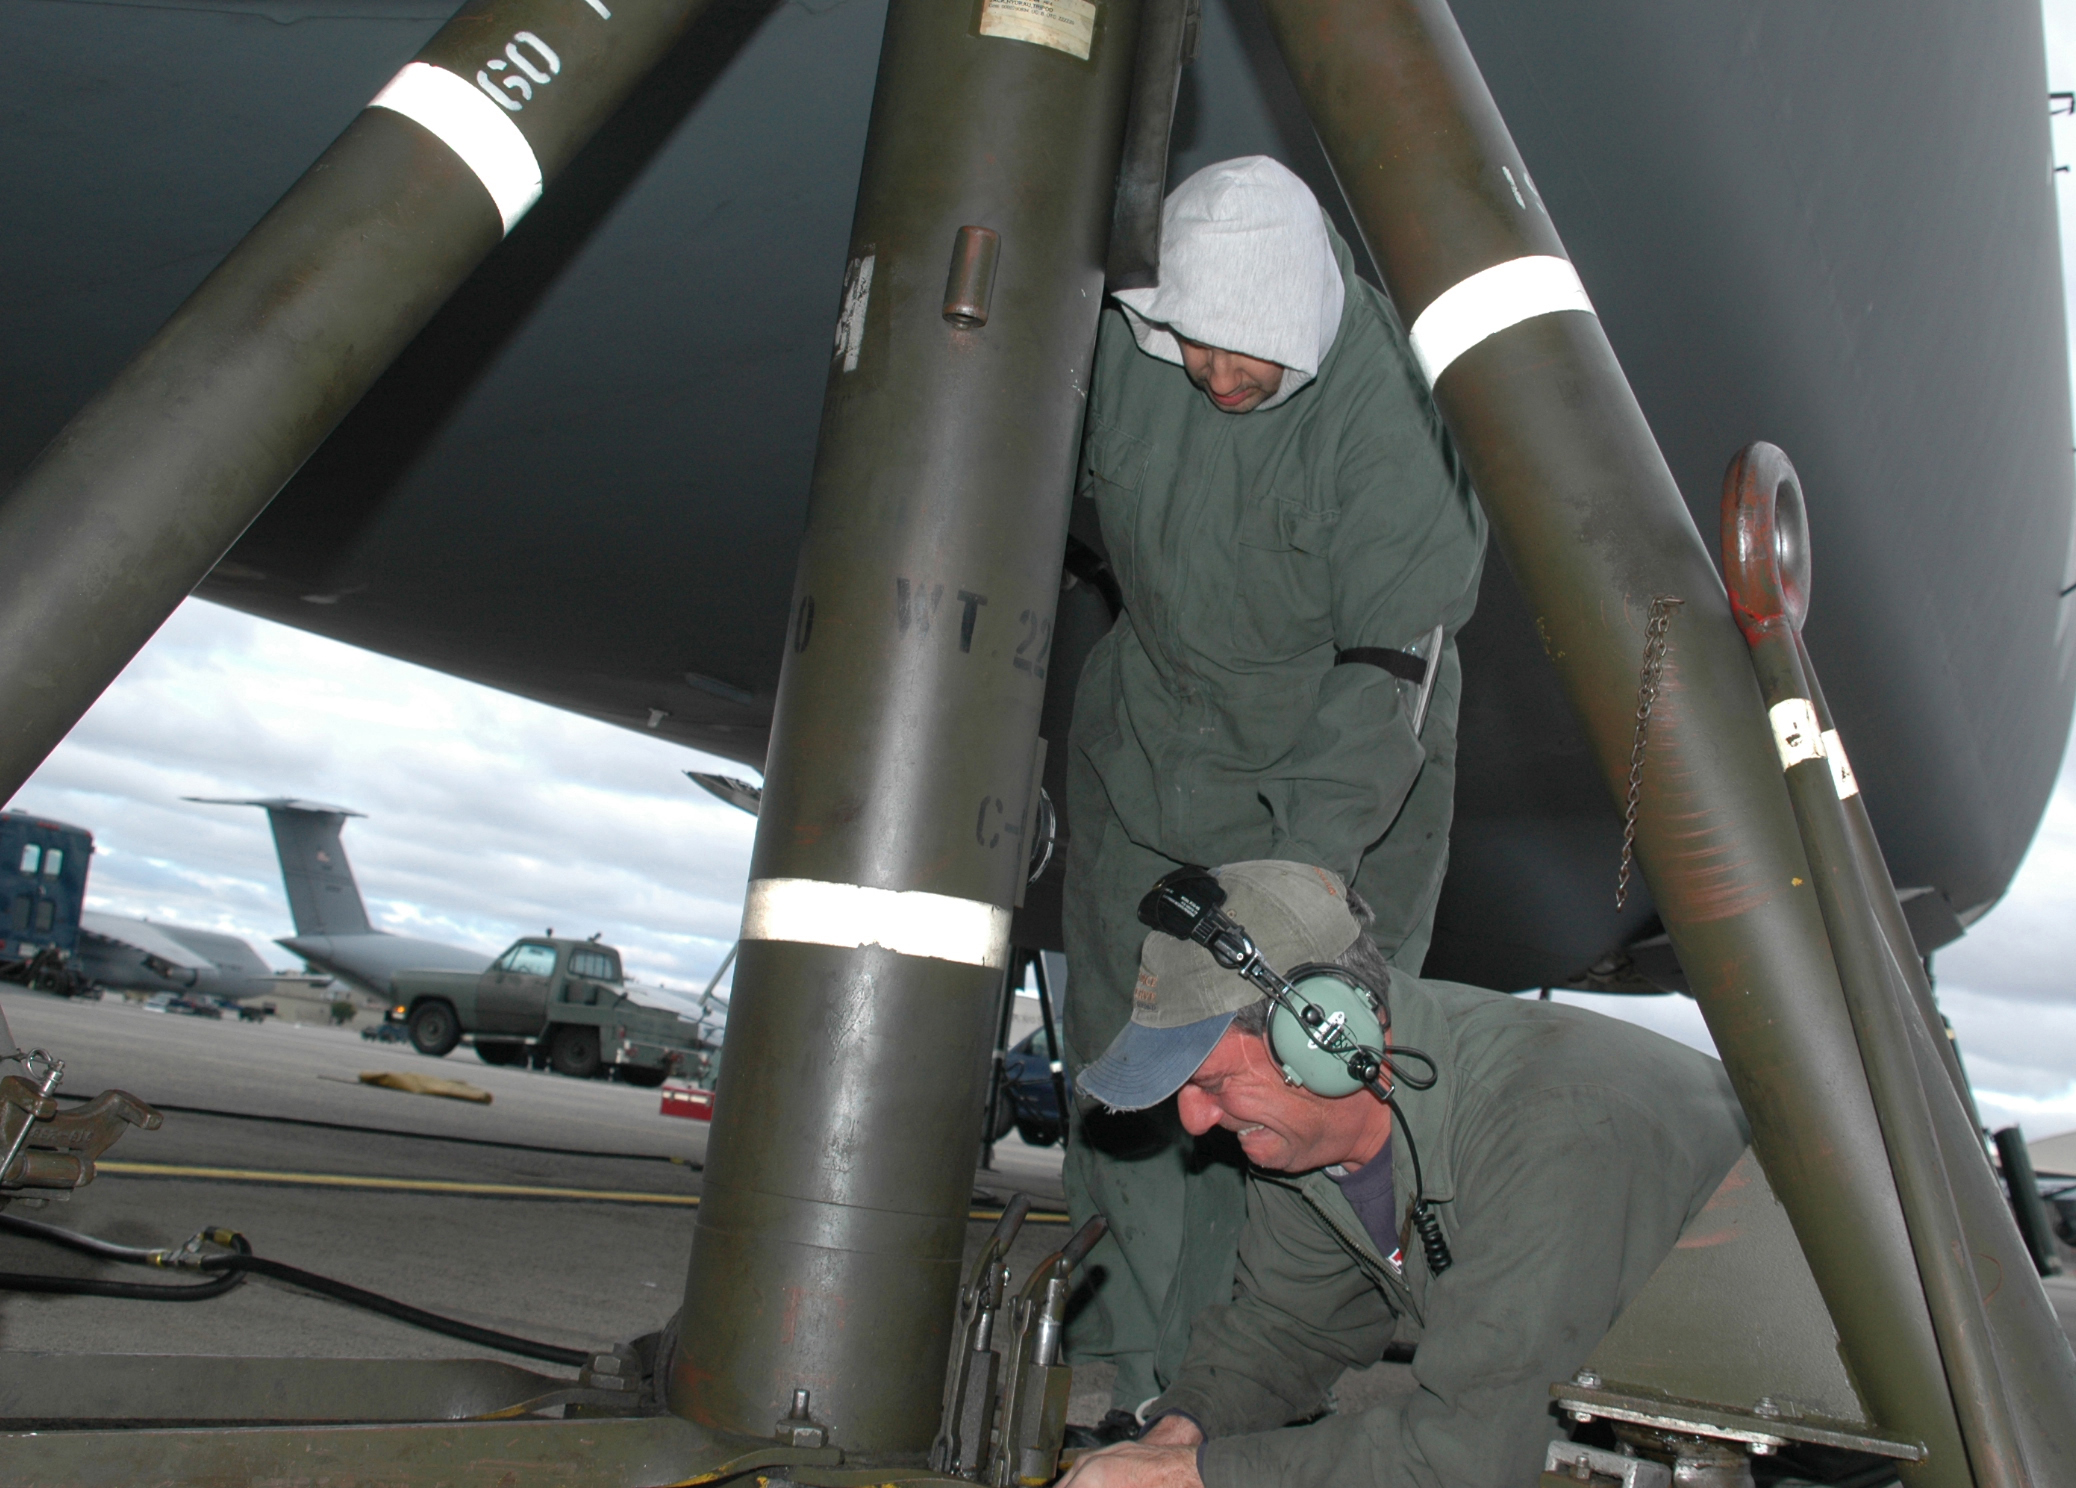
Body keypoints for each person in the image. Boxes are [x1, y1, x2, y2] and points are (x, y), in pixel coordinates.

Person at [1060, 154, 1488, 1423]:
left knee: (1277, 1087)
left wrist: (1300, 881)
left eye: (1244, 353)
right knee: (1131, 1067)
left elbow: (1388, 672)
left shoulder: (1396, 416)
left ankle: (1227, 1398)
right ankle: (1120, 1370)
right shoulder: (1123, 350)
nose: (1213, 374)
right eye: (1191, 344)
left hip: (1337, 778)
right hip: (1151, 748)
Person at [1058, 860, 1749, 1488]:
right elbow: (1287, 1326)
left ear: (1326, 1034)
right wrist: (1175, 1437)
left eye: (1211, 1083)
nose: (1195, 1120)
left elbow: (1474, 1456)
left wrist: (1193, 1477)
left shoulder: (1553, 1127)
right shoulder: (1305, 1134)